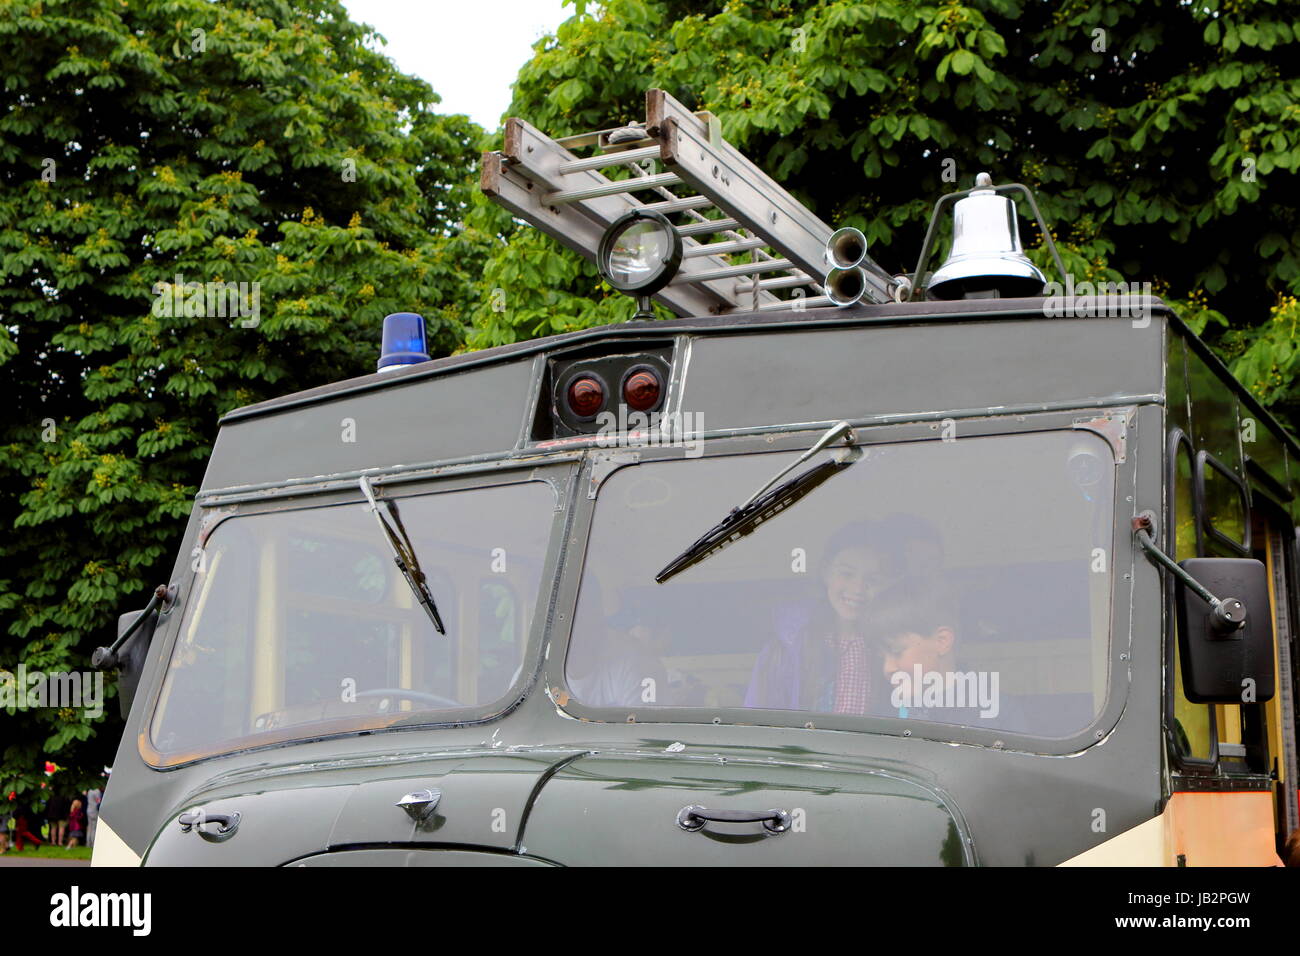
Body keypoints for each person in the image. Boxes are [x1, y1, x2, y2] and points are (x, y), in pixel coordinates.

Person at [745, 521, 898, 715]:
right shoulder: (789, 644)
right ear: (826, 572)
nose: (858, 588)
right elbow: (759, 718)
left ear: (886, 586)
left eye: (873, 580)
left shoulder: (893, 649)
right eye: (846, 574)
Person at [870, 584, 1030, 733]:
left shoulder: (996, 714)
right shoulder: (882, 713)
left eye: (897, 652)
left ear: (942, 641)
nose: (887, 668)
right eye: (882, 657)